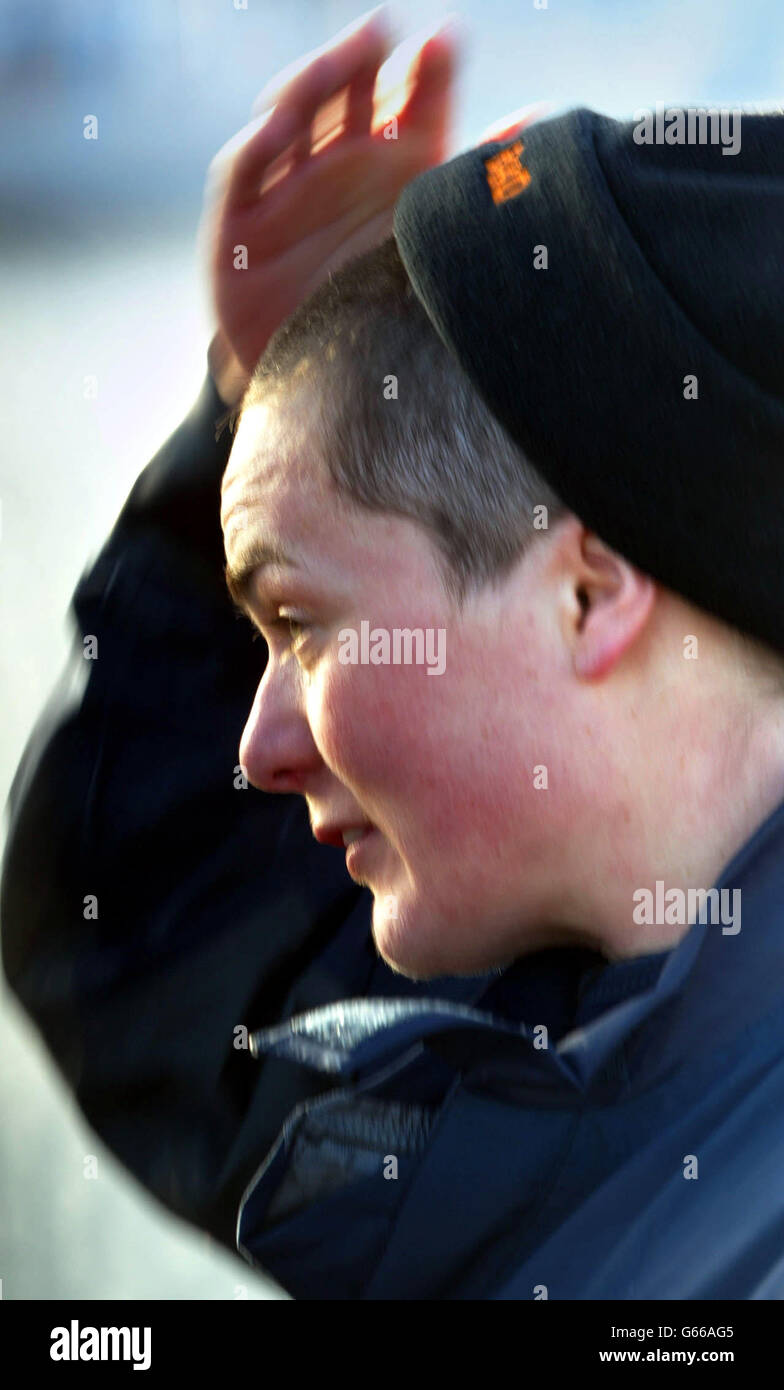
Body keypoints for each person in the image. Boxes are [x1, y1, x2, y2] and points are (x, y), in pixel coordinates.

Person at [3, 8, 784, 1300]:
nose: (255, 745)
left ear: (590, 596)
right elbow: (178, 969)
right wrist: (286, 390)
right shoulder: (596, 1024)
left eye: (301, 627)